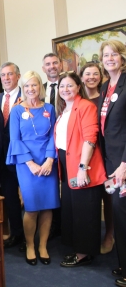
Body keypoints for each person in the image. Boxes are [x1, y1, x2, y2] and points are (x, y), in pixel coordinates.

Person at [6, 71, 59, 265]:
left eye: (34, 85)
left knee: (47, 206)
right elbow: (15, 139)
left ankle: (43, 245)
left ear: (40, 86)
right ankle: (30, 245)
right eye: (26, 86)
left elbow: (54, 135)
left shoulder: (50, 108)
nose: (30, 89)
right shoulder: (17, 110)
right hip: (26, 163)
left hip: (47, 161)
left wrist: (49, 160)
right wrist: (30, 163)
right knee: (31, 207)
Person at [54, 72, 106, 268]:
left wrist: (83, 168)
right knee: (73, 210)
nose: (65, 89)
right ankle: (79, 249)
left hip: (82, 166)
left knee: (85, 211)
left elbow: (89, 138)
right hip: (67, 167)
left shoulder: (85, 106)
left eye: (69, 85)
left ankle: (84, 253)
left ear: (78, 87)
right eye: (62, 86)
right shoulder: (65, 110)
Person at [97, 40, 126, 287]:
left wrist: (125, 163)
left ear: (122, 57)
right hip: (112, 162)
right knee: (119, 213)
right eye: (105, 55)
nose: (109, 58)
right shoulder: (106, 86)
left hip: (124, 163)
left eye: (114, 54)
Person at [79, 63, 114, 254]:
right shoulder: (78, 98)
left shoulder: (106, 96)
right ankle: (89, 238)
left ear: (100, 77)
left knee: (108, 195)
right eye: (87, 74)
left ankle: (110, 233)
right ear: (81, 77)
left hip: (105, 151)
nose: (91, 77)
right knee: (90, 198)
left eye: (95, 74)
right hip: (85, 154)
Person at [0, 62, 24, 249]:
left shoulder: (27, 96)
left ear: (18, 76)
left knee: (28, 197)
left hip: (23, 156)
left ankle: (32, 236)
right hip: (3, 157)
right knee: (10, 197)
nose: (6, 78)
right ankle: (17, 234)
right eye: (3, 75)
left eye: (10, 74)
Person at [41, 52, 62, 239]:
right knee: (50, 186)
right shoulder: (40, 89)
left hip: (64, 142)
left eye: (55, 63)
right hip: (45, 145)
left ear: (61, 65)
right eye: (48, 64)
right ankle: (52, 228)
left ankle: (65, 226)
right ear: (43, 68)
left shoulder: (68, 86)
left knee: (64, 186)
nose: (52, 66)